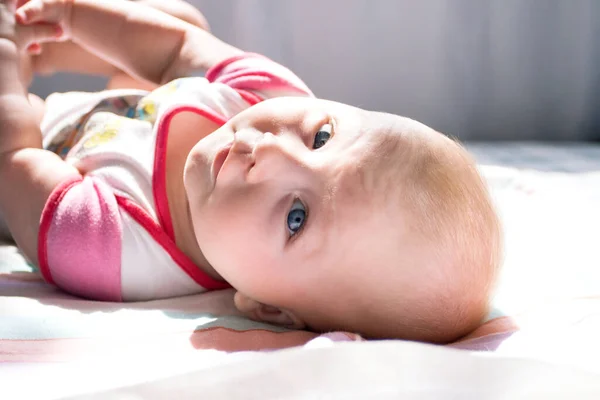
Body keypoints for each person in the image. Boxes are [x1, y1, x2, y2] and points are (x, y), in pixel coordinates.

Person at [0, 0, 501, 343]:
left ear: (266, 308)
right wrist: (68, 12)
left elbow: (16, 159)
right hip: (99, 104)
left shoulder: (113, 246)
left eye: (297, 217)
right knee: (180, 21)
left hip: (24, 143)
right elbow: (176, 48)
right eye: (321, 137)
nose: (274, 154)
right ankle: (38, 31)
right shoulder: (269, 94)